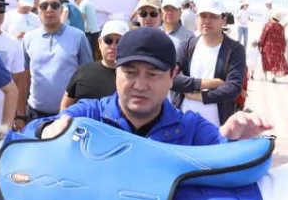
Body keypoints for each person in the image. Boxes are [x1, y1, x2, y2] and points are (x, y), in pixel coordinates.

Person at [36, 27, 271, 145]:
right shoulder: (88, 115)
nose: (140, 85)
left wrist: (236, 141)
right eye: (129, 72)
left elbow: (224, 154)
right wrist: (44, 131)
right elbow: (36, 131)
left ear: (173, 76)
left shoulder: (189, 130)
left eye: (153, 74)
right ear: (115, 71)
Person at [172, 0, 247, 127]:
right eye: (203, 16)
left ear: (223, 20)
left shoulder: (234, 50)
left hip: (217, 127)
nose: (207, 21)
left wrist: (198, 96)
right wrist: (207, 83)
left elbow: (233, 88)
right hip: (182, 122)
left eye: (213, 16)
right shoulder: (187, 46)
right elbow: (170, 78)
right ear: (197, 18)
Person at [20, 0, 94, 122]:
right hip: (35, 114)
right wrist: (20, 114)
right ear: (37, 9)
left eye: (54, 5)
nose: (49, 9)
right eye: (44, 6)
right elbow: (23, 78)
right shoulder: (29, 38)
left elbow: (88, 78)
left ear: (61, 9)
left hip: (69, 115)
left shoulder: (78, 37)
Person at [60, 19, 128, 108]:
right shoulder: (83, 70)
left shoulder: (132, 77)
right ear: (100, 43)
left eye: (119, 41)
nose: (113, 46)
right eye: (108, 40)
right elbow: (65, 105)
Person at [257, 12, 288, 81]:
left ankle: (265, 76)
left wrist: (260, 43)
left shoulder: (268, 25)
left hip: (267, 46)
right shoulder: (281, 27)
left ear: (272, 17)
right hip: (277, 47)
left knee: (265, 60)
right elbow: (282, 38)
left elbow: (263, 35)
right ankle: (273, 77)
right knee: (275, 62)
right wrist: (283, 47)